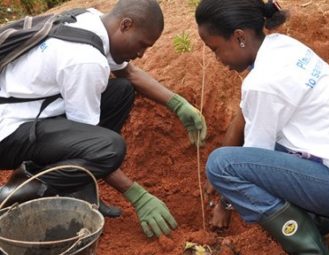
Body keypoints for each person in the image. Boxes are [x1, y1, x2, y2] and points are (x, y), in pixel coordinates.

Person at [0, 0, 207, 239]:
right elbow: (92, 147)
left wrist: (178, 104)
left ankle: (79, 190)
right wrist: (137, 195)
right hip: (8, 133)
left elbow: (128, 73)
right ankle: (16, 192)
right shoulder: (86, 60)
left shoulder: (90, 19)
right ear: (126, 25)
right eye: (142, 45)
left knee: (122, 91)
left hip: (24, 113)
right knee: (109, 150)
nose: (141, 54)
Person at [195, 0, 329, 254]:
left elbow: (247, 161)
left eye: (215, 49)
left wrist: (225, 202)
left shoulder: (262, 83)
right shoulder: (283, 47)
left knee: (220, 164)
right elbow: (245, 114)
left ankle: (311, 248)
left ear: (239, 37)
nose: (217, 59)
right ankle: (320, 219)